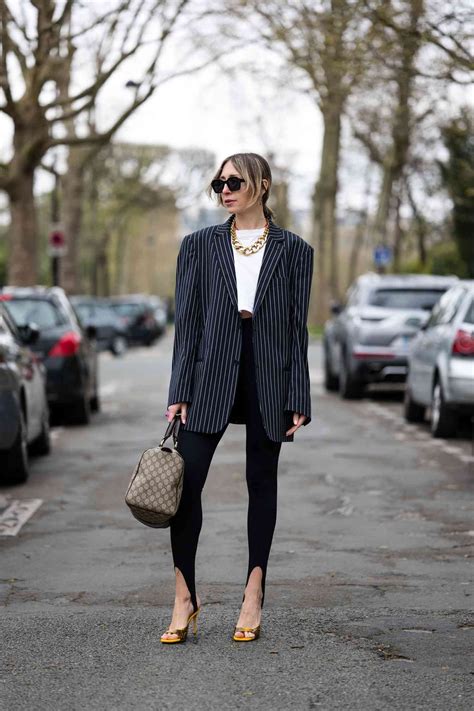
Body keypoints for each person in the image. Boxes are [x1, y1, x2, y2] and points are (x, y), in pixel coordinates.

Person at [161, 152, 314, 643]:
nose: (224, 189)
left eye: (234, 181)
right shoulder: (199, 246)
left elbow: (296, 331)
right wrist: (179, 390)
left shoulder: (294, 250)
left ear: (262, 185)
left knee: (261, 482)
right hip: (210, 373)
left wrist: (299, 392)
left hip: (267, 373)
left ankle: (254, 591)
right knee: (185, 485)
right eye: (218, 183)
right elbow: (188, 325)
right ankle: (184, 594)